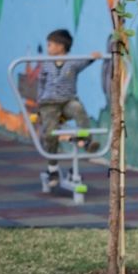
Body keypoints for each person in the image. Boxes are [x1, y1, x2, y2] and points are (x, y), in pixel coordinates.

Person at [37, 29, 102, 187]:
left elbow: (85, 61)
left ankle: (86, 141)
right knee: (50, 134)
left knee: (78, 108)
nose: (48, 48)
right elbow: (41, 84)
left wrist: (93, 58)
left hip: (67, 101)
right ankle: (52, 168)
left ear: (61, 46)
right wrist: (39, 104)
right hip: (49, 104)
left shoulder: (72, 62)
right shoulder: (46, 64)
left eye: (50, 45)